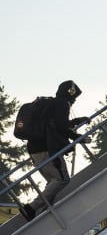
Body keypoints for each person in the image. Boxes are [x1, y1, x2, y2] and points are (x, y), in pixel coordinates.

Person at [20, 80, 88, 219]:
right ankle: (31, 208)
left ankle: (46, 213)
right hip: (47, 148)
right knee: (62, 179)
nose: (74, 101)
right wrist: (77, 137)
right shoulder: (62, 104)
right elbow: (60, 127)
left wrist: (76, 121)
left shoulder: (50, 104)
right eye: (74, 97)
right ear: (70, 93)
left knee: (53, 181)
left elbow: (57, 124)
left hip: (34, 149)